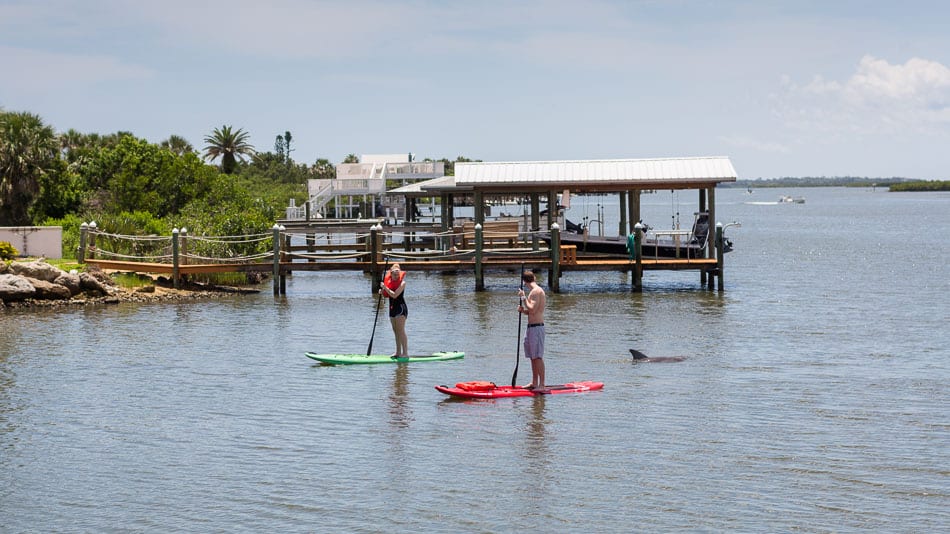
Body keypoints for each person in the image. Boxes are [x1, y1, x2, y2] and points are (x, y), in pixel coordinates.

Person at [517, 270, 546, 390]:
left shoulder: (535, 292)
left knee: (537, 356)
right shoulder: (534, 292)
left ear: (525, 282)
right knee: (532, 356)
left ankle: (542, 385)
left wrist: (523, 297)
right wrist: (523, 311)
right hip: (531, 328)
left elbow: (533, 309)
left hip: (537, 328)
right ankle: (534, 382)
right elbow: (530, 311)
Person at [380, 263, 408, 359]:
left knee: (401, 331)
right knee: (395, 331)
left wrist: (385, 288)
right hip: (392, 308)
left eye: (397, 274)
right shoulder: (389, 283)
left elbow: (395, 295)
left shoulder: (402, 283)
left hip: (400, 308)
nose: (396, 276)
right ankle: (398, 352)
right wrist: (382, 292)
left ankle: (405, 353)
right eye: (394, 274)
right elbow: (387, 294)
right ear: (391, 274)